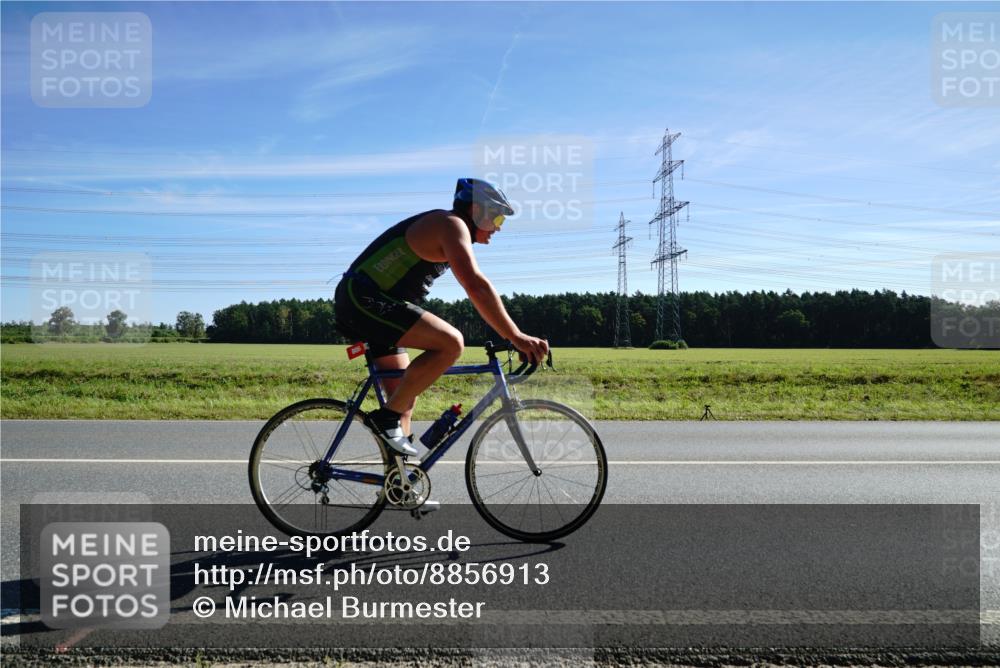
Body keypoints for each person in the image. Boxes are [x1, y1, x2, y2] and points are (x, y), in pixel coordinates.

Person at [333, 178, 549, 459]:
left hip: (374, 302)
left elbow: (477, 291)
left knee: (403, 400)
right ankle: (384, 420)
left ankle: (399, 484)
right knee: (451, 343)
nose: (497, 226)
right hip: (362, 299)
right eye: (496, 217)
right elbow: (475, 285)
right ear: (475, 210)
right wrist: (516, 336)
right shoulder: (451, 224)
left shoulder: (452, 228)